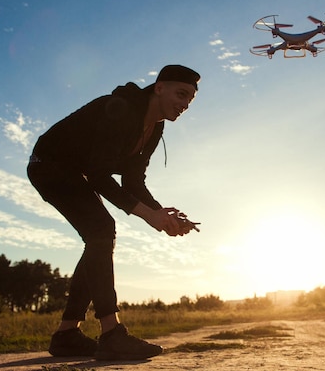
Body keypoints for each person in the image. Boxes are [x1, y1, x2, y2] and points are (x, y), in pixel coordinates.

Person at [27, 64, 201, 360]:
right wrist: (150, 215)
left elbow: (133, 181)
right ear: (159, 88)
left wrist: (162, 214)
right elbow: (97, 175)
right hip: (49, 165)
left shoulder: (155, 127)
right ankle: (111, 334)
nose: (184, 105)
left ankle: (67, 334)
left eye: (190, 100)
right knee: (101, 231)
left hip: (75, 172)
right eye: (180, 94)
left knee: (99, 235)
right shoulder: (121, 110)